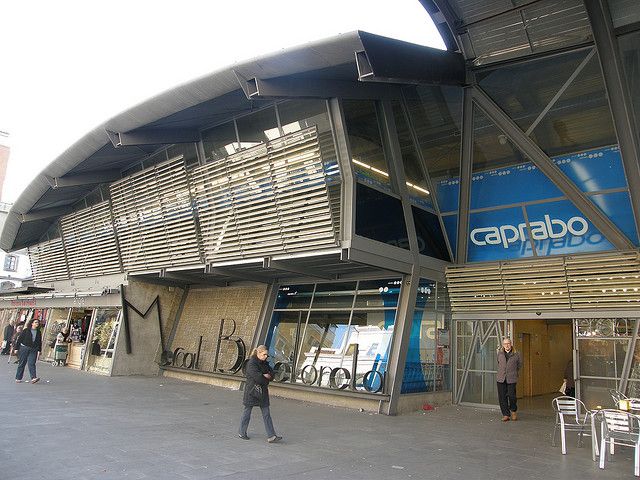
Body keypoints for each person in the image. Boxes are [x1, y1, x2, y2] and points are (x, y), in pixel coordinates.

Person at [238, 345, 282, 443]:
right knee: (247, 412)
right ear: (258, 353)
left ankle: (271, 436)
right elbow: (258, 378)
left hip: (262, 393)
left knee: (266, 414)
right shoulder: (251, 363)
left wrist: (266, 376)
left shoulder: (264, 363)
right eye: (264, 354)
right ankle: (242, 432)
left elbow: (271, 374)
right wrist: (264, 376)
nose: (266, 356)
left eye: (267, 355)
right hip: (252, 392)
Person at [497, 337, 522, 422]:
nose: (506, 345)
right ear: (503, 345)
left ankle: (513, 410)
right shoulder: (500, 353)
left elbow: (519, 365)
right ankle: (505, 414)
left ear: (511, 344)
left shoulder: (517, 354)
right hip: (501, 378)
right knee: (502, 397)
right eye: (505, 344)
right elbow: (499, 363)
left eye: (508, 343)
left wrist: (513, 372)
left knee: (512, 396)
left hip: (511, 378)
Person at [15, 319, 42, 384]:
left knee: (32, 363)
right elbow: (20, 339)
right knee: (22, 363)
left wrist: (39, 350)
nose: (37, 323)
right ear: (32, 323)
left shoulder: (38, 332)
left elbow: (39, 341)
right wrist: (16, 348)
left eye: (38, 322)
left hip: (33, 349)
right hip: (25, 348)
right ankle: (18, 377)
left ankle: (33, 378)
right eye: (35, 322)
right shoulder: (26, 330)